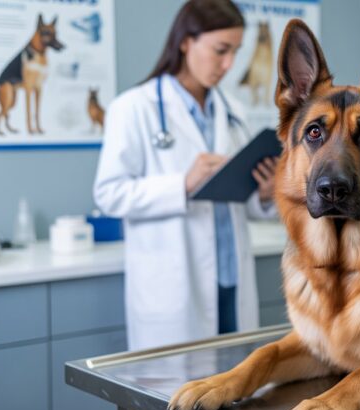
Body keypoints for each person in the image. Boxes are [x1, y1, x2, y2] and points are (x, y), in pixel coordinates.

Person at [93, 0, 278, 351]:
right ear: (186, 42)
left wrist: (265, 193)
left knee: (230, 396)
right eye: (220, 50)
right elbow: (109, 193)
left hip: (231, 281)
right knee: (172, 399)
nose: (228, 65)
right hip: (174, 287)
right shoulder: (133, 108)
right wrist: (182, 184)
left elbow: (241, 203)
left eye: (236, 52)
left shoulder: (233, 112)